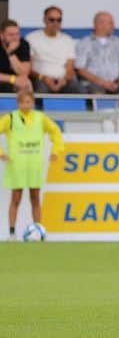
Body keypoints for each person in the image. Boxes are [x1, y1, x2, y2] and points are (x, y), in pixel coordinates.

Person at [2, 90, 63, 241]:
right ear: (18, 103)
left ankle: (38, 231)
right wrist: (1, 153)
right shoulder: (10, 118)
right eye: (22, 102)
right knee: (16, 199)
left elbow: (55, 131)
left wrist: (56, 150)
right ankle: (11, 233)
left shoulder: (40, 118)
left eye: (28, 102)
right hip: (17, 166)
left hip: (35, 165)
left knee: (35, 198)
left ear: (33, 103)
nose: (25, 105)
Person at [26, 6, 84, 94]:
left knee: (81, 91)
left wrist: (63, 81)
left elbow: (70, 67)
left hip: (63, 80)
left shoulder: (67, 39)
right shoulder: (32, 38)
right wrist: (44, 77)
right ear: (44, 20)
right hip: (41, 78)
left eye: (59, 20)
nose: (55, 23)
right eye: (52, 20)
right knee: (42, 90)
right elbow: (29, 68)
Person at [75, 12, 119, 95]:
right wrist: (102, 82)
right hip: (94, 84)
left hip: (116, 84)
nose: (114, 26)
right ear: (99, 24)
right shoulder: (85, 43)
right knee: (99, 97)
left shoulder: (118, 42)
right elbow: (80, 69)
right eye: (111, 23)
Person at [0, 20, 32, 94]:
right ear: (1, 35)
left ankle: (27, 105)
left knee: (26, 83)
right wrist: (13, 79)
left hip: (15, 81)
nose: (15, 38)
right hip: (8, 79)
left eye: (17, 34)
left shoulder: (23, 44)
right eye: (11, 35)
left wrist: (10, 53)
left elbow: (24, 73)